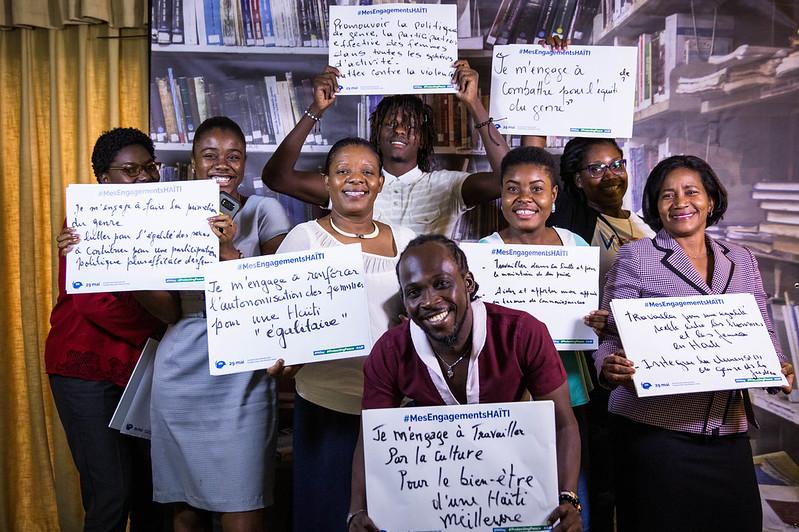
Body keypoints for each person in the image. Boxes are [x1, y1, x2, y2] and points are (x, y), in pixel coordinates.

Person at [595, 155, 795, 532]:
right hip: (656, 435)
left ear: (711, 200)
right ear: (655, 206)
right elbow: (609, 334)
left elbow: (762, 328)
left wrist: (778, 366)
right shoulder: (636, 256)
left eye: (691, 192)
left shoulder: (742, 258)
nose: (680, 202)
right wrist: (608, 366)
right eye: (667, 195)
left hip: (728, 431)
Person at [348, 234, 583, 532]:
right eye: (414, 292)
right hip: (434, 491)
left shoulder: (523, 332)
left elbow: (563, 423)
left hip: (514, 485)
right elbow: (371, 436)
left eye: (442, 284)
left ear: (468, 284)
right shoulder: (390, 350)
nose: (430, 301)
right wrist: (356, 509)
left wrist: (569, 497)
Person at [140, 116, 291, 532]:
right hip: (180, 373)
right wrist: (109, 260)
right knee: (184, 512)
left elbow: (281, 293)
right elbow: (169, 312)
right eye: (210, 155)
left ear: (244, 164)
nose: (221, 164)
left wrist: (228, 256)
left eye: (233, 156)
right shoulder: (168, 214)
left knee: (244, 506)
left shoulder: (264, 210)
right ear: (192, 162)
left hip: (243, 375)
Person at [269, 137, 415, 532]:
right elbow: (276, 315)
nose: (356, 179)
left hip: (394, 406)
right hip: (325, 401)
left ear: (381, 182)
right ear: (326, 182)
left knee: (388, 517)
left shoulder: (406, 240)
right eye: (343, 171)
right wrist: (274, 353)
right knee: (325, 514)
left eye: (368, 171)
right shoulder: (302, 238)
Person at [479, 146, 608, 531]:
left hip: (568, 390)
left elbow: (592, 315)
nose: (525, 199)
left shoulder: (576, 248)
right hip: (507, 396)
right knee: (511, 495)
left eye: (537, 188)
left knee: (568, 492)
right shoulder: (484, 254)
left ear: (554, 196)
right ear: (501, 196)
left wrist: (599, 323)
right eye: (513, 188)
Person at [46, 127, 167, 532]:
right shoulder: (84, 220)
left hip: (142, 370)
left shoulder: (172, 219)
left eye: (150, 167)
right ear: (104, 179)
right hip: (87, 369)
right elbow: (92, 302)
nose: (145, 177)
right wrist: (166, 326)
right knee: (110, 494)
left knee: (151, 492)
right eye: (130, 170)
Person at [539, 135, 654, 531]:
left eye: (616, 164)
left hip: (645, 365)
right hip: (599, 371)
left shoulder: (642, 225)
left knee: (634, 475)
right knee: (601, 476)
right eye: (596, 168)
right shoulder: (570, 231)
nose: (610, 174)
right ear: (575, 180)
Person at [261, 62, 512, 237]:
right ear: (376, 134)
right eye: (391, 124)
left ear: (424, 139)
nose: (400, 131)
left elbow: (510, 179)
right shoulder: (354, 184)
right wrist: (316, 109)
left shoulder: (449, 185)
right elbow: (277, 178)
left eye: (410, 126)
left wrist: (474, 103)